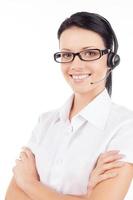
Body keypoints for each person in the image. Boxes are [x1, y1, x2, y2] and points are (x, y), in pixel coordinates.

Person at [5, 11, 133, 200]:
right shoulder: (45, 122)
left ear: (111, 60)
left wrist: (30, 183)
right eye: (67, 55)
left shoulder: (125, 126)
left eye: (89, 53)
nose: (76, 65)